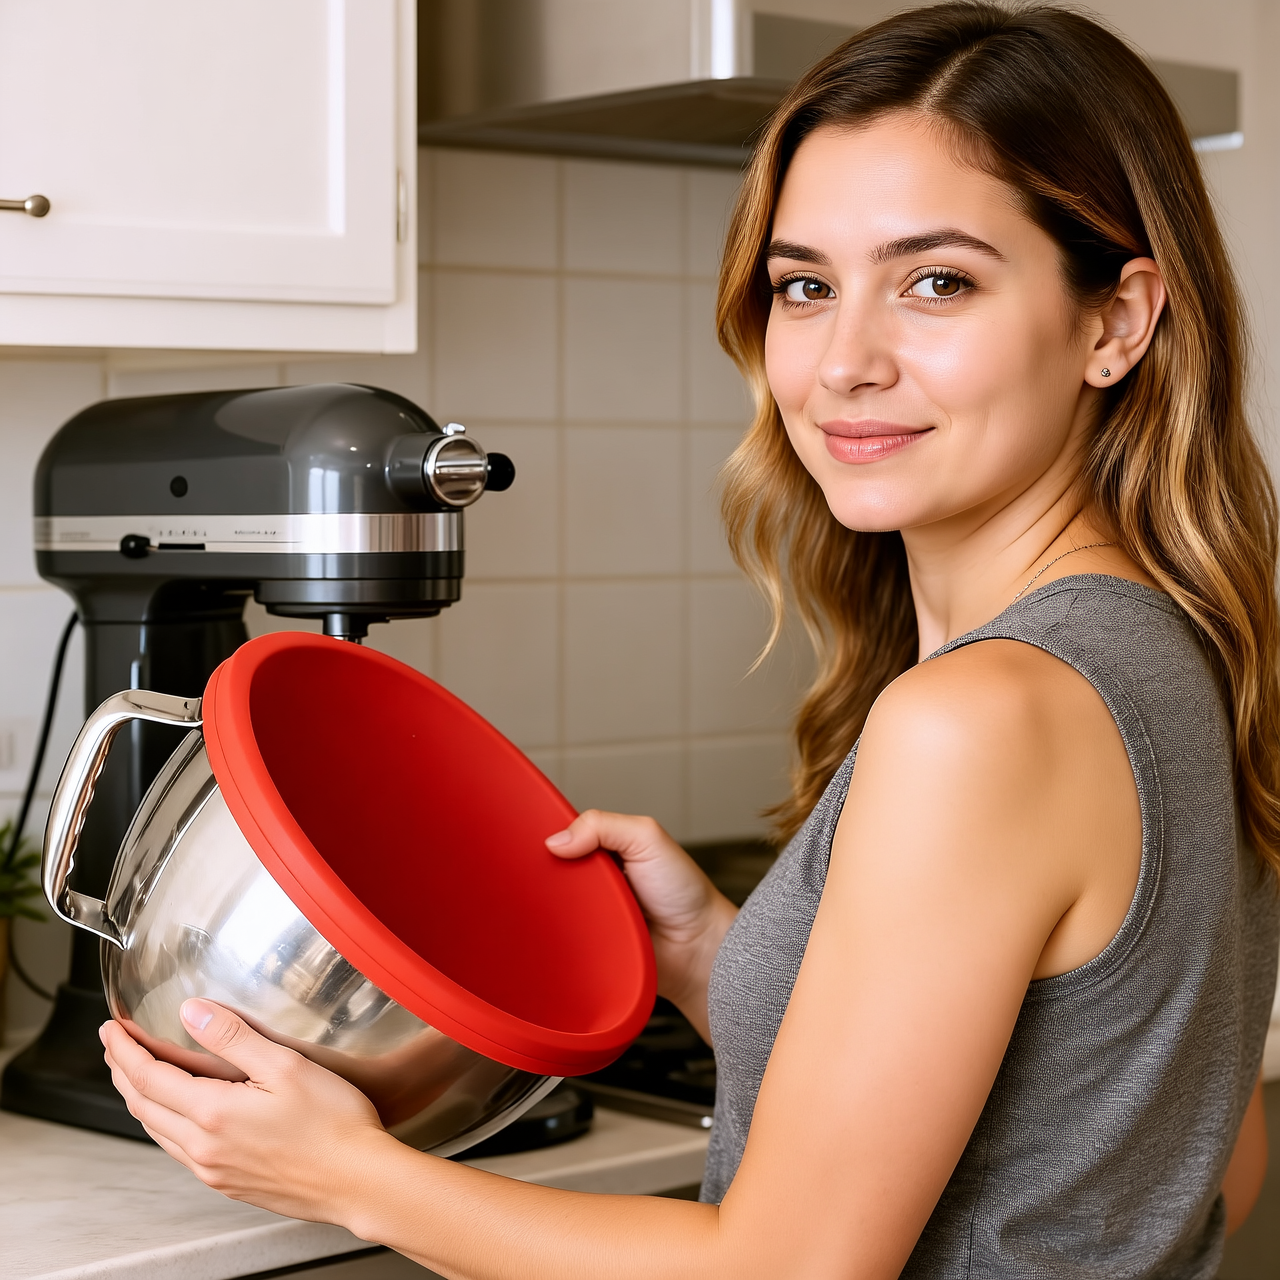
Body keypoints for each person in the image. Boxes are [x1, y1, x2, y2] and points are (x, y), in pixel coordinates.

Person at [100, 4, 1280, 1276]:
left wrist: (352, 1175)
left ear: (1114, 322)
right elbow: (1180, 1143)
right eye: (804, 286)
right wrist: (719, 956)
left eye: (935, 281)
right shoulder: (1177, 649)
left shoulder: (979, 718)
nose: (842, 362)